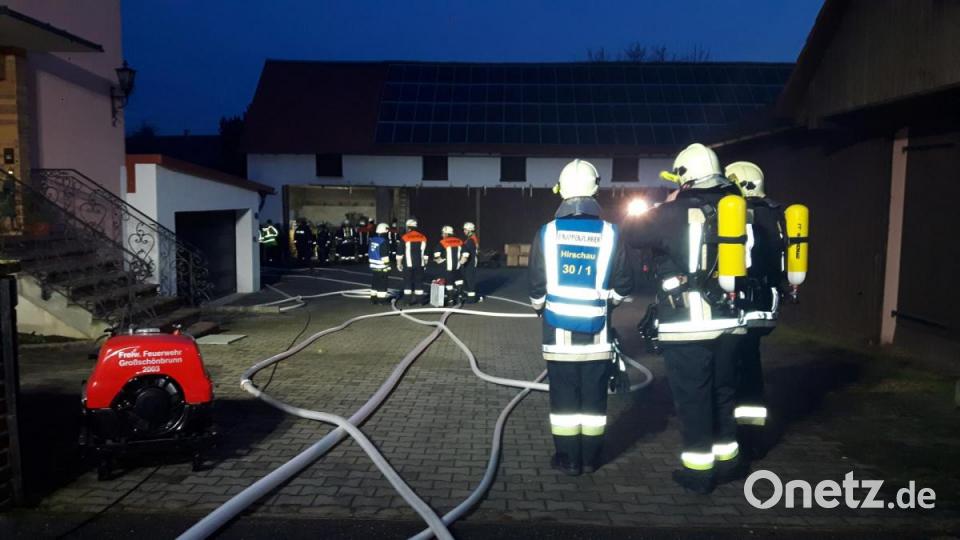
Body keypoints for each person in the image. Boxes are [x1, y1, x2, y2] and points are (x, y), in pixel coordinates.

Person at [622, 143, 748, 494]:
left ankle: (698, 472)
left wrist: (661, 204)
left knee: (693, 398)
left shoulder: (671, 212)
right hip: (731, 321)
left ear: (684, 176)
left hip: (686, 322)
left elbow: (631, 233)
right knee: (723, 391)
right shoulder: (739, 208)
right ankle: (729, 462)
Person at [529, 159, 633, 476]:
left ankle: (568, 459)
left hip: (557, 335)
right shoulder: (611, 233)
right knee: (594, 401)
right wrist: (606, 304)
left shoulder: (547, 233)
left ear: (562, 191)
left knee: (563, 400)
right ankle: (590, 458)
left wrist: (542, 308)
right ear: (594, 191)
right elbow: (626, 284)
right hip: (598, 334)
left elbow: (536, 286)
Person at [725, 161, 786, 458]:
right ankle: (753, 437)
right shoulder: (776, 214)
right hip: (766, 304)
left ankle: (734, 435)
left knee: (732, 366)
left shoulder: (741, 215)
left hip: (742, 305)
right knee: (751, 365)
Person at [397, 217, 428, 305]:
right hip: (420, 264)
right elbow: (426, 252)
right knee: (419, 282)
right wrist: (425, 263)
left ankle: (407, 302)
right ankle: (420, 301)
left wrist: (399, 263)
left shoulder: (405, 237)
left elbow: (400, 251)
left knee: (408, 282)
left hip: (408, 264)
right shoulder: (423, 237)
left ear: (408, 227)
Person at [433, 225, 465, 305]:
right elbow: (466, 252)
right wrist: (462, 261)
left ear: (446, 234)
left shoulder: (443, 242)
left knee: (449, 282)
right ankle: (460, 297)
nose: (442, 235)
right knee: (459, 280)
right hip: (457, 266)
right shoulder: (459, 241)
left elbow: (436, 254)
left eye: (443, 233)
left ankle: (451, 300)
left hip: (447, 266)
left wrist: (441, 261)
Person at [368, 222, 393, 304]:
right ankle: (381, 300)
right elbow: (384, 255)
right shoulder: (383, 241)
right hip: (381, 266)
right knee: (382, 283)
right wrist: (387, 265)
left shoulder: (373, 239)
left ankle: (373, 298)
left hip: (373, 265)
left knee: (375, 281)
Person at [460, 222, 480, 302]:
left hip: (470, 262)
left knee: (470, 280)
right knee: (468, 279)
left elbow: (466, 253)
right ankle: (470, 297)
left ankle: (471, 299)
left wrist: (461, 262)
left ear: (469, 230)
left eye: (465, 229)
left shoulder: (471, 240)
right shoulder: (472, 238)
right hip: (471, 262)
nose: (464, 231)